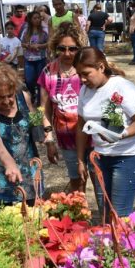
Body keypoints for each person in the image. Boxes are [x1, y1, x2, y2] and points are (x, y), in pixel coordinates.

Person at [74, 47, 135, 222]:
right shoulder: (85, 91)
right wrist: (80, 160)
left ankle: (124, 247)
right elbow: (80, 126)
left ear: (101, 67)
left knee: (119, 214)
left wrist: (121, 135)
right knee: (106, 213)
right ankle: (111, 247)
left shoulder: (121, 87)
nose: (82, 79)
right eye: (79, 75)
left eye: (86, 74)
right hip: (100, 158)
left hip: (127, 157)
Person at [0, 64, 43, 205]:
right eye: (1, 97)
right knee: (1, 219)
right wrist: (9, 163)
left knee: (31, 216)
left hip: (27, 170)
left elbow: (34, 118)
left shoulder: (24, 96)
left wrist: (46, 136)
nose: (6, 101)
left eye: (10, 96)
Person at [39, 24, 87, 192]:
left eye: (72, 49)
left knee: (99, 180)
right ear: (55, 48)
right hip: (66, 137)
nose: (67, 53)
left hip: (93, 137)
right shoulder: (47, 72)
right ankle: (81, 216)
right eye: (62, 48)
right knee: (76, 181)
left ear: (80, 48)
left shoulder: (88, 69)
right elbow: (45, 109)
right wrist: (49, 140)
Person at [21, 11, 49, 106]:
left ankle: (39, 100)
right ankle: (32, 93)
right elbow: (22, 43)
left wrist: (40, 46)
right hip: (29, 59)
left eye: (38, 18)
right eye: (35, 18)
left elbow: (49, 43)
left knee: (40, 81)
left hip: (41, 59)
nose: (37, 20)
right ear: (30, 20)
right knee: (29, 80)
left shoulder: (44, 31)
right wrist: (28, 46)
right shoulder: (26, 31)